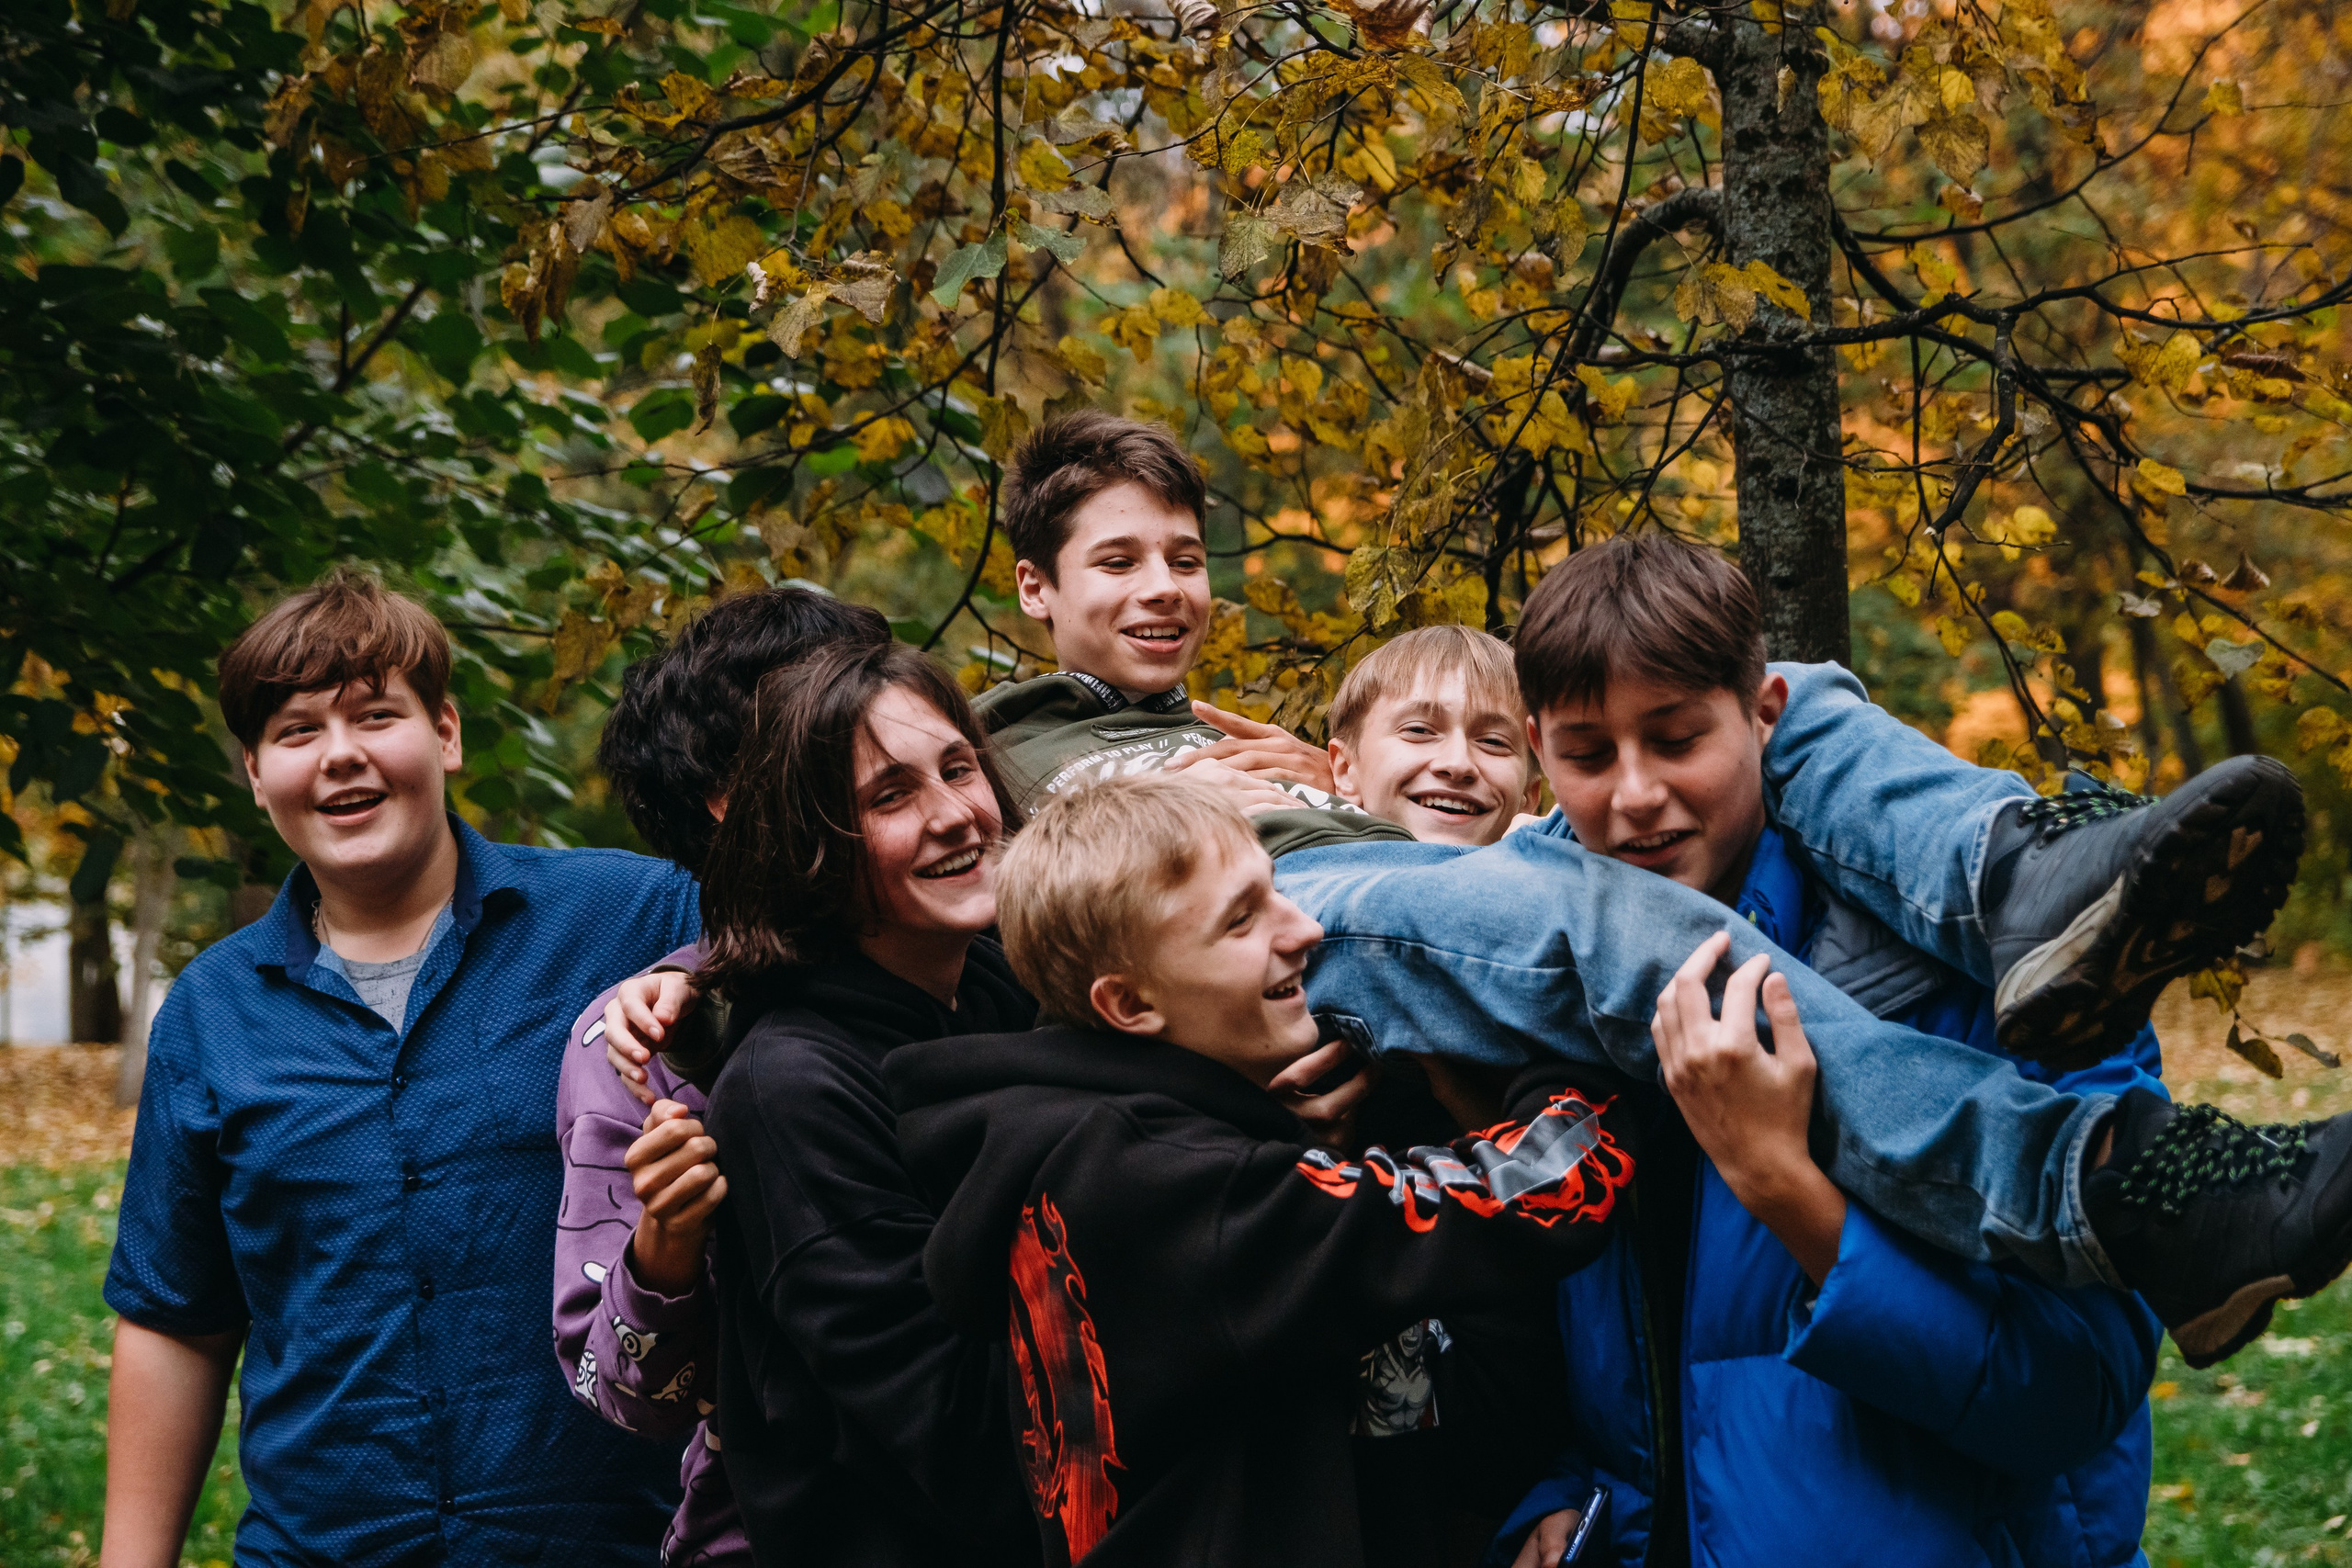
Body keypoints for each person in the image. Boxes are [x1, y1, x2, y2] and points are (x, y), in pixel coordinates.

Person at [1488, 534, 2163, 1568]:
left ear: (1764, 716)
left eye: (1675, 741)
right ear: (1538, 748)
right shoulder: (1536, 975)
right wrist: (1553, 1483)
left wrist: (1779, 1183)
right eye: (1585, 755)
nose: (1630, 796)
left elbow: (2075, 1395)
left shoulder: (2000, 966)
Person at [888, 772, 1641, 1568]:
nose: (1306, 927)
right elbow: (1527, 1198)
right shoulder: (1166, 1185)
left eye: (1275, 889)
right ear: (1131, 1005)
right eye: (1241, 921)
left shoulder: (1067, 1155)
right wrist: (1578, 1065)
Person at [100, 571, 701, 1568]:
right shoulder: (211, 1013)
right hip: (319, 1551)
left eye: (377, 715)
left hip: (610, 1545)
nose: (341, 756)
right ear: (255, 772)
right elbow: (177, 1319)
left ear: (447, 735)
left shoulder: (639, 920)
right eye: (297, 732)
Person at [551, 586, 891, 1567]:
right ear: (732, 795)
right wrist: (664, 1244)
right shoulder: (637, 1046)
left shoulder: (1004, 970)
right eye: (832, 729)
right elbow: (614, 1389)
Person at [1324, 625, 1544, 847]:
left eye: (1493, 742)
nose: (1458, 764)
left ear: (1528, 797)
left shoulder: (1569, 876)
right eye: (1418, 730)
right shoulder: (1293, 867)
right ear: (1345, 771)